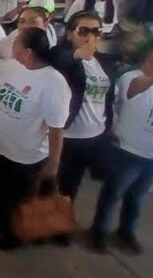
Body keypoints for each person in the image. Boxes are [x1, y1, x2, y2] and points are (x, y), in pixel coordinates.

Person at [89, 45, 153, 255]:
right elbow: (134, 89)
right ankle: (99, 230)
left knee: (138, 196)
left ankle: (126, 231)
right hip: (129, 153)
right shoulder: (132, 79)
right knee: (114, 192)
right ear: (143, 63)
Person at [0, 27, 70, 250]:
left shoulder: (53, 83)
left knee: (20, 200)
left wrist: (53, 164)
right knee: (0, 191)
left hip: (27, 155)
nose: (12, 46)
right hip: (1, 146)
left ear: (27, 51)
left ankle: (16, 236)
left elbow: (56, 128)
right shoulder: (12, 67)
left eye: (16, 42)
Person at [50, 13, 114, 223]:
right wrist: (77, 55)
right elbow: (57, 63)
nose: (89, 36)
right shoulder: (62, 56)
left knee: (71, 185)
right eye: (82, 31)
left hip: (93, 135)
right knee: (51, 183)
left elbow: (109, 98)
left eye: (95, 31)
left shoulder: (103, 62)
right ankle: (39, 223)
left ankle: (60, 223)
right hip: (67, 134)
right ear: (70, 34)